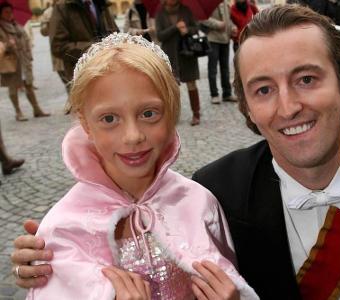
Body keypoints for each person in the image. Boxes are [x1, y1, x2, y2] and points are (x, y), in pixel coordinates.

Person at [11, 5, 340, 299]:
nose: (288, 106)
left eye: (307, 79)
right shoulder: (213, 194)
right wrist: (51, 266)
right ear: (246, 104)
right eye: (264, 89)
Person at [19, 32, 258, 300]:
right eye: (109, 118)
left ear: (171, 113)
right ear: (85, 124)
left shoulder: (199, 203)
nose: (133, 136)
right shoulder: (63, 227)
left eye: (148, 113)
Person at [0, 2, 50, 121]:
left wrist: (28, 54)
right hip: (10, 62)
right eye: (6, 12)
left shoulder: (16, 24)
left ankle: (36, 109)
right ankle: (18, 112)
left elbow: (26, 38)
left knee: (29, 85)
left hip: (23, 60)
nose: (9, 14)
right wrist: (8, 45)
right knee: (13, 88)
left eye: (10, 11)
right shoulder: (1, 28)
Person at [49, 0, 118, 84]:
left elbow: (115, 32)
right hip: (82, 76)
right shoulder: (62, 7)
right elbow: (58, 45)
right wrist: (93, 49)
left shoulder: (102, 3)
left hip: (109, 70)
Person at [155, 0, 201, 126]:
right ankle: (173, 114)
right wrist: (175, 28)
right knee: (172, 86)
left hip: (187, 53)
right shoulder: (160, 14)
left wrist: (187, 30)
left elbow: (196, 28)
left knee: (191, 83)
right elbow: (160, 35)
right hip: (169, 55)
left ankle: (196, 113)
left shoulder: (186, 10)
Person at [200, 1, 237, 104]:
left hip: (225, 39)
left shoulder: (225, 2)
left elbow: (228, 19)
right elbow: (202, 18)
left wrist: (232, 27)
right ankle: (214, 94)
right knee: (213, 68)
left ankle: (227, 93)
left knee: (225, 68)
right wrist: (217, 24)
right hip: (212, 39)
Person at [40, 0, 70, 94]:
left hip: (70, 49)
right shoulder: (47, 12)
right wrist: (48, 25)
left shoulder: (68, 8)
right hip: (57, 52)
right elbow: (43, 32)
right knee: (66, 81)